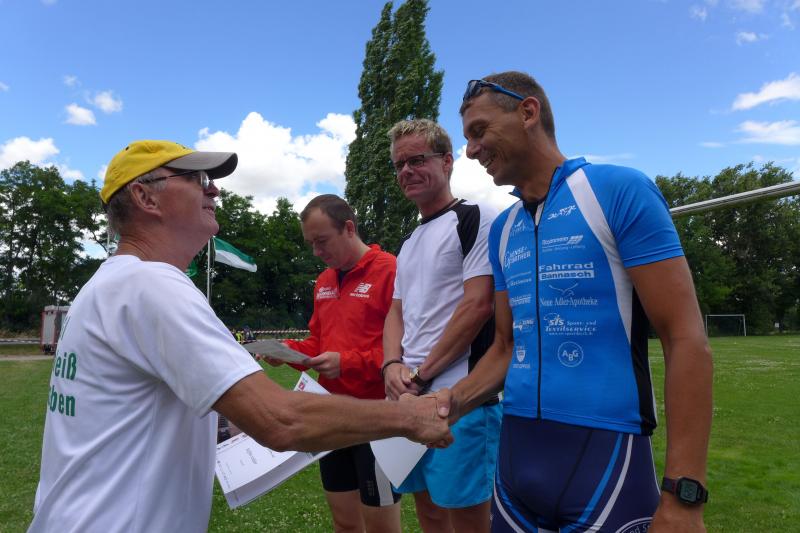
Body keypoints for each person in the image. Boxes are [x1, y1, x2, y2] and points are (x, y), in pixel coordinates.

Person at [28, 140, 452, 533]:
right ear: (145, 197)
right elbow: (280, 420)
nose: (213, 190)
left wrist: (231, 425)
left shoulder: (106, 285)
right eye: (197, 180)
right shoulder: (151, 285)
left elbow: (141, 411)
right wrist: (411, 418)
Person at [445, 72, 713, 532]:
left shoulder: (617, 191)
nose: (470, 150)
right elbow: (505, 348)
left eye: (479, 131)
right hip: (516, 462)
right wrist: (448, 403)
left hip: (606, 461)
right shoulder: (503, 230)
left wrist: (684, 496)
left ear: (528, 112)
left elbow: (685, 338)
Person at [383, 119, 501, 533]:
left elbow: (478, 305)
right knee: (429, 512)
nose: (406, 171)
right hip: (408, 397)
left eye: (417, 160)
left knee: (468, 520)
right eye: (399, 164)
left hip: (460, 400)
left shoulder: (476, 218)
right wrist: (391, 365)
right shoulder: (409, 241)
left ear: (447, 161)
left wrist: (420, 375)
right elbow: (396, 311)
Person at [267, 194, 402, 533]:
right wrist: (288, 351)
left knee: (382, 527)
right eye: (310, 243)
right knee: (344, 523)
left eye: (322, 241)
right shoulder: (325, 281)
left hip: (376, 417)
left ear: (349, 228)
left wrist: (347, 363)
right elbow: (319, 340)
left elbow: (404, 350)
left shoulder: (390, 270)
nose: (316, 251)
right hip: (330, 416)